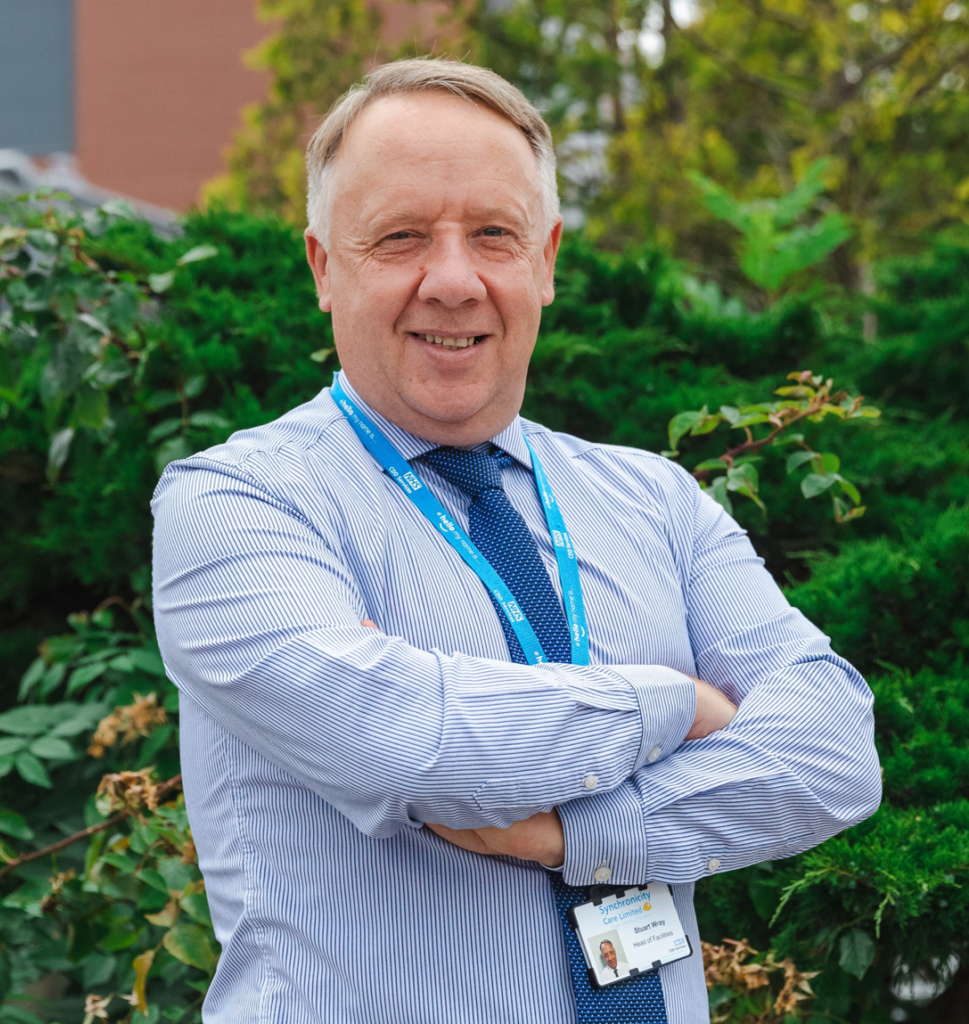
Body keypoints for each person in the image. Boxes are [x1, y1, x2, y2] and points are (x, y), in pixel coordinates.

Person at [151, 57, 881, 1023]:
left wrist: (574, 833)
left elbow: (834, 755)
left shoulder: (654, 502)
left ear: (545, 259)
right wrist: (685, 704)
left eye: (494, 235)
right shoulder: (238, 503)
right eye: (401, 237)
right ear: (325, 268)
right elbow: (408, 746)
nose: (453, 282)